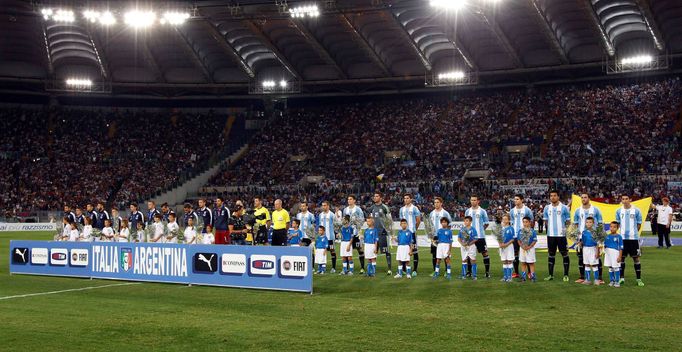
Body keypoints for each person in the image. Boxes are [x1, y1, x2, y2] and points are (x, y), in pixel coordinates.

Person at [572, 193, 603, 284]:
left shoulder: (595, 210)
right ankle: (583, 277)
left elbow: (600, 223)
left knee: (597, 257)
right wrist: (576, 238)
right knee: (581, 258)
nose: (583, 199)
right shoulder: (578, 211)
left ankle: (599, 278)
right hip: (582, 237)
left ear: (589, 198)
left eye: (585, 197)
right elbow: (576, 225)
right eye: (582, 198)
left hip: (594, 237)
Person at [616, 194, 644, 287]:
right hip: (622, 238)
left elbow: (639, 224)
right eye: (623, 199)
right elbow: (617, 224)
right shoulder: (619, 211)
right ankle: (622, 278)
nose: (624, 200)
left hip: (633, 239)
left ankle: (639, 279)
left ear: (630, 199)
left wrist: (634, 233)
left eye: (626, 199)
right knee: (622, 258)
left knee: (636, 258)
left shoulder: (636, 210)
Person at [543, 190, 571, 282]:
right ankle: (550, 275)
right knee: (551, 255)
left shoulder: (564, 208)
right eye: (551, 196)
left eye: (555, 195)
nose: (553, 197)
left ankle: (566, 275)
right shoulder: (547, 208)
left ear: (558, 197)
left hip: (561, 235)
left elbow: (568, 221)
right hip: (550, 235)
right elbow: (546, 221)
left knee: (565, 254)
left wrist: (564, 230)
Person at [465, 195, 490, 278]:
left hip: (480, 237)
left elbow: (486, 223)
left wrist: (481, 230)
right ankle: (469, 272)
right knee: (469, 254)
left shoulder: (482, 211)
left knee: (485, 253)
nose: (473, 202)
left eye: (475, 200)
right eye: (472, 200)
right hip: (470, 237)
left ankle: (487, 272)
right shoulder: (467, 211)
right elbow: (466, 223)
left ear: (478, 201)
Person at [368, 191, 393, 276]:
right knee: (373, 251)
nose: (375, 197)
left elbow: (390, 220)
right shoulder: (372, 208)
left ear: (380, 197)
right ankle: (372, 269)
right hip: (374, 233)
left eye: (377, 196)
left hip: (383, 233)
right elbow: (370, 220)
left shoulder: (384, 207)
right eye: (374, 196)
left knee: (386, 251)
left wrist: (389, 230)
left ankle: (389, 269)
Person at [509, 194, 533, 278]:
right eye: (515, 199)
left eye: (517, 199)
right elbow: (512, 222)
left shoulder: (527, 210)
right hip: (515, 235)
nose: (515, 201)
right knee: (515, 253)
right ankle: (516, 272)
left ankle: (530, 272)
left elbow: (531, 221)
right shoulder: (512, 211)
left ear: (522, 200)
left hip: (525, 236)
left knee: (527, 253)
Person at [399, 193, 421, 277]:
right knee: (404, 251)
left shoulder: (415, 208)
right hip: (404, 233)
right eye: (404, 198)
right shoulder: (401, 209)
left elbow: (418, 220)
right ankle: (404, 269)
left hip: (411, 232)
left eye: (407, 198)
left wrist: (414, 229)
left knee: (414, 251)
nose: (406, 200)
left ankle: (415, 270)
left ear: (411, 199)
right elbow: (402, 221)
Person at [428, 197, 451, 274]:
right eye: (435, 202)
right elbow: (430, 226)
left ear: (441, 203)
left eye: (438, 202)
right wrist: (431, 236)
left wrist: (446, 234)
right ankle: (435, 271)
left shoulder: (445, 213)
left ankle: (446, 271)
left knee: (445, 255)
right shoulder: (431, 213)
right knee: (434, 254)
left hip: (443, 236)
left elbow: (449, 225)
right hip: (434, 236)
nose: (436, 204)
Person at [344, 195, 366, 274]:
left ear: (354, 200)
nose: (349, 200)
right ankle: (345, 269)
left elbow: (362, 220)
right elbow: (344, 221)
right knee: (346, 251)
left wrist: (359, 230)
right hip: (348, 234)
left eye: (350, 199)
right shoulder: (345, 210)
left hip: (356, 234)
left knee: (360, 250)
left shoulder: (358, 209)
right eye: (348, 199)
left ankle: (362, 268)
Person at [317, 201, 337, 273]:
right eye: (322, 205)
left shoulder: (332, 215)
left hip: (330, 237)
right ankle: (322, 268)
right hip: (322, 238)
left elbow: (336, 225)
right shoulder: (320, 215)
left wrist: (336, 233)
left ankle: (333, 268)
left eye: (325, 205)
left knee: (332, 251)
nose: (323, 207)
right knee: (322, 252)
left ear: (328, 206)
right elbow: (319, 226)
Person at [579, 217, 600, 285]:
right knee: (587, 264)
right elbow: (582, 241)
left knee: (594, 265)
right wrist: (579, 244)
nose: (588, 224)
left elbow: (597, 243)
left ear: (593, 223)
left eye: (590, 222)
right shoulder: (584, 232)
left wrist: (597, 252)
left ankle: (596, 280)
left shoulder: (595, 232)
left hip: (593, 249)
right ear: (585, 223)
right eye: (587, 222)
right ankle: (587, 280)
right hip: (585, 249)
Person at [517, 217, 538, 282]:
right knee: (523, 262)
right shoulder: (520, 231)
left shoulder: (532, 231)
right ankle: (523, 277)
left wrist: (529, 247)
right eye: (523, 222)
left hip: (530, 249)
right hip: (522, 249)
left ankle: (533, 277)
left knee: (531, 263)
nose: (525, 223)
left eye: (526, 222)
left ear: (529, 222)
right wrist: (522, 246)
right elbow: (518, 240)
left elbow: (534, 240)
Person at [458, 216, 478, 280]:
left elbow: (476, 239)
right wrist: (463, 244)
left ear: (470, 222)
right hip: (464, 246)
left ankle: (474, 275)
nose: (465, 222)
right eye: (465, 221)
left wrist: (469, 243)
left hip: (471, 246)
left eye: (467, 221)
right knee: (464, 260)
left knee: (473, 260)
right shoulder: (462, 229)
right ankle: (463, 275)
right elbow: (459, 238)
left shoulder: (473, 229)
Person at [497, 214, 516, 282]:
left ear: (509, 220)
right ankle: (505, 277)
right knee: (504, 261)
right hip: (502, 247)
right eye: (503, 219)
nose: (504, 220)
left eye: (506, 219)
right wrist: (500, 244)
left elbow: (512, 239)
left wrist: (505, 244)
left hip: (509, 247)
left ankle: (509, 277)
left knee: (509, 261)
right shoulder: (500, 228)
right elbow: (498, 238)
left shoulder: (511, 228)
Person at [604, 221, 623, 288]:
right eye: (611, 226)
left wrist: (620, 256)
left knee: (616, 267)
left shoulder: (619, 237)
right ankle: (612, 281)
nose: (612, 228)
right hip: (608, 253)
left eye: (614, 227)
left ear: (617, 228)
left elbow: (621, 248)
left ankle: (617, 282)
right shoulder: (607, 236)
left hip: (615, 253)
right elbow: (604, 245)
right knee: (610, 267)